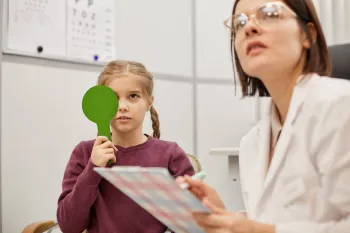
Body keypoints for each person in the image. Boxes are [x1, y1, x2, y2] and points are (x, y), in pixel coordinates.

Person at [176, 0, 350, 232]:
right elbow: (277, 217)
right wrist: (223, 216)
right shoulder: (252, 141)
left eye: (269, 13)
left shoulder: (340, 106)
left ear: (308, 34)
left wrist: (257, 231)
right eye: (239, 22)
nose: (250, 27)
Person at [56, 60, 195, 233]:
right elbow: (69, 226)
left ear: (149, 102)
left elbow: (192, 222)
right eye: (113, 98)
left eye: (133, 96)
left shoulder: (170, 154)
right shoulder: (84, 153)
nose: (122, 107)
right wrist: (93, 168)